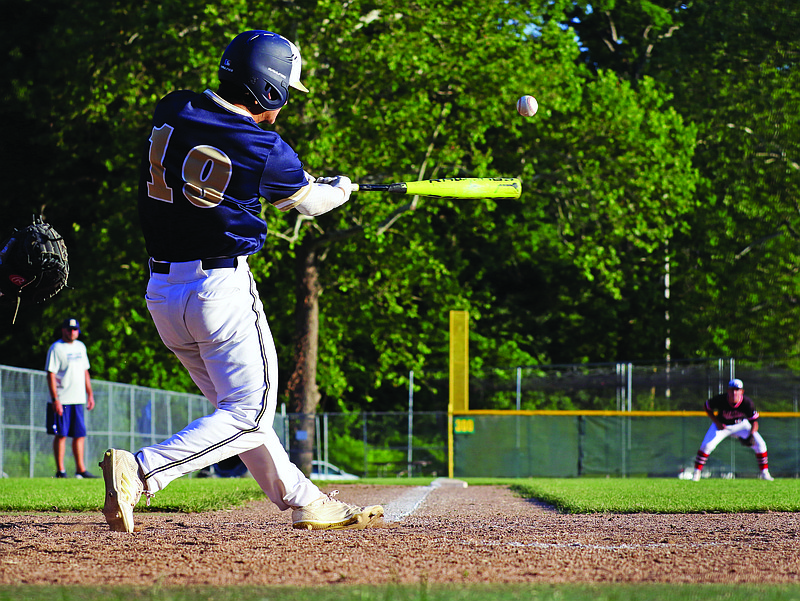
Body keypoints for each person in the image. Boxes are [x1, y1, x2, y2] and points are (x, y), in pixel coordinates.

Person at [99, 30, 383, 532]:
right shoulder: (263, 144)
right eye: (282, 94)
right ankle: (142, 472)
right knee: (250, 416)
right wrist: (336, 189)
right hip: (218, 292)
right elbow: (308, 201)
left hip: (162, 295)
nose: (282, 107)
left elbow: (217, 150)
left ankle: (305, 500)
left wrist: (294, 178)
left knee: (235, 415)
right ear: (266, 89)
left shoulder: (174, 106)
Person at [691, 378, 773, 481]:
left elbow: (754, 422)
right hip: (722, 426)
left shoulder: (747, 403)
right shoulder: (721, 399)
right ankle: (696, 473)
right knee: (707, 446)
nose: (734, 392)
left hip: (741, 425)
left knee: (761, 444)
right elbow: (706, 406)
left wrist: (751, 435)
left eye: (737, 389)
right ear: (728, 391)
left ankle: (765, 473)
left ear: (741, 391)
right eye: (732, 389)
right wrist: (717, 422)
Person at [45, 317, 96, 478]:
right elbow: (50, 374)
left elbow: (85, 372)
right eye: (69, 329)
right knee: (61, 435)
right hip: (62, 399)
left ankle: (80, 469)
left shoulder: (81, 347)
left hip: (78, 399)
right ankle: (61, 471)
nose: (72, 332)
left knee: (79, 434)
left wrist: (90, 394)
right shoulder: (56, 348)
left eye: (75, 329)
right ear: (63, 330)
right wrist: (55, 399)